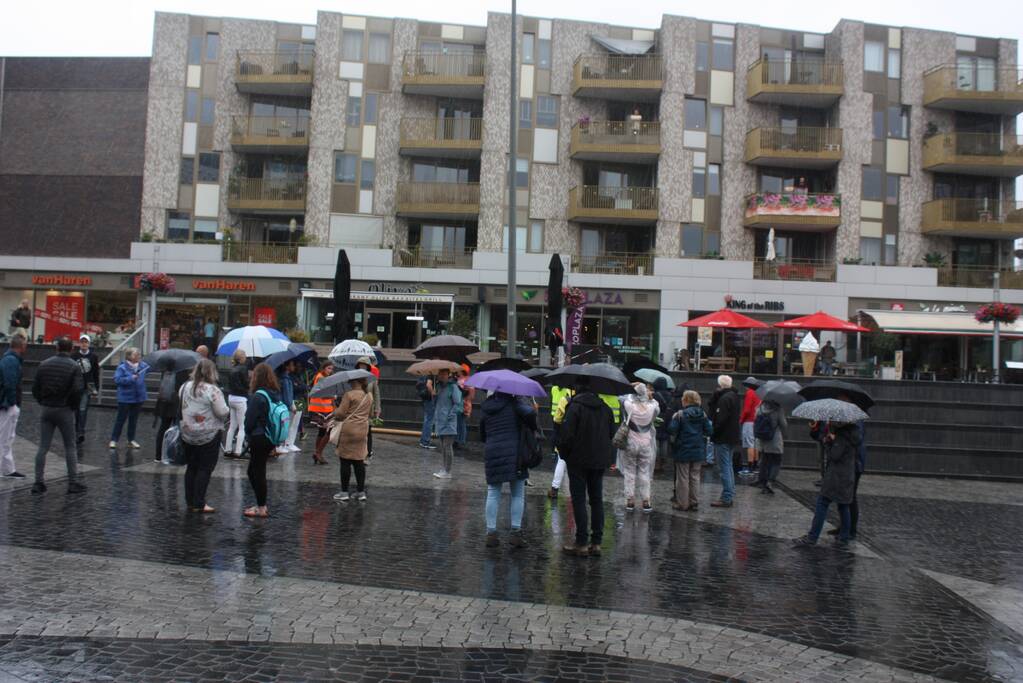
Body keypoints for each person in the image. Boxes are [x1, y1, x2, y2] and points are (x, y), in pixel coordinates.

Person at [559, 376, 615, 557]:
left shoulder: (574, 407)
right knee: (596, 499)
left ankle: (581, 542)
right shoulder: (605, 408)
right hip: (599, 460)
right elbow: (611, 434)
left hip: (578, 460)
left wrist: (565, 454)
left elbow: (566, 436)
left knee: (579, 499)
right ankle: (596, 542)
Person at [479, 391, 536, 548]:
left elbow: (482, 434)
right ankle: (515, 533)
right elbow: (531, 415)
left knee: (493, 492)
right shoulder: (516, 405)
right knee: (518, 494)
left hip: (492, 451)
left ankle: (491, 533)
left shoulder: (486, 407)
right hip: (515, 454)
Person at [31, 337, 85, 494]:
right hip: (65, 409)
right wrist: (72, 406)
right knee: (70, 446)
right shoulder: (74, 366)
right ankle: (72, 483)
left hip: (47, 408)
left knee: (43, 446)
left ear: (57, 348)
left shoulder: (44, 364)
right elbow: (77, 390)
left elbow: (35, 388)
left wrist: (42, 400)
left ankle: (38, 482)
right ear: (71, 349)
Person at [794, 422, 860, 547]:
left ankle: (812, 537)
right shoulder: (854, 434)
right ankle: (844, 538)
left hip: (836, 477)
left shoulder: (842, 436)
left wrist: (829, 442)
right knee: (843, 505)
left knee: (822, 503)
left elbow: (834, 456)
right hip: (847, 476)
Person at [179, 359, 229, 513]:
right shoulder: (212, 390)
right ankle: (199, 502)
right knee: (204, 468)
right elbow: (222, 411)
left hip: (187, 433)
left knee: (191, 467)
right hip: (208, 434)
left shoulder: (184, 386)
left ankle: (190, 500)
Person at [243, 362, 279, 518]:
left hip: (258, 437)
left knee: (257, 472)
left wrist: (247, 432)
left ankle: (261, 507)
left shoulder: (258, 396)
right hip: (270, 436)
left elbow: (249, 421)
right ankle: (260, 504)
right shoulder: (274, 394)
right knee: (254, 471)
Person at [329, 377, 374, 501]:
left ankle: (344, 492)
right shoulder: (369, 396)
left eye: (350, 381)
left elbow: (341, 414)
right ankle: (361, 492)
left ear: (354, 382)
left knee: (345, 461)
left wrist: (335, 408)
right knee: (359, 461)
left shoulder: (349, 395)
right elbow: (370, 414)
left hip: (349, 430)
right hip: (362, 430)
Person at [668, 390, 712, 511]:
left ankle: (682, 503)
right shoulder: (703, 414)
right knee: (695, 476)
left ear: (686, 400)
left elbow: (672, 430)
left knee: (682, 477)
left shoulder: (680, 414)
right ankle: (694, 502)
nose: (681, 399)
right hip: (698, 450)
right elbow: (709, 431)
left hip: (683, 449)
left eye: (683, 398)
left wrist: (673, 420)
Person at [620, 383, 659, 513]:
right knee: (644, 472)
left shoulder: (629, 405)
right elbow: (657, 406)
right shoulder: (652, 407)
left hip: (630, 442)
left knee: (629, 471)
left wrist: (631, 387)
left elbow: (622, 397)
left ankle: (630, 500)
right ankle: (646, 501)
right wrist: (650, 397)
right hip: (646, 443)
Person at [708, 375, 740, 508]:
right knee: (729, 466)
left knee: (724, 467)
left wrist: (712, 432)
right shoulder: (734, 396)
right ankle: (729, 493)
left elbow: (720, 420)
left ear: (720, 385)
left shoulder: (724, 399)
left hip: (723, 437)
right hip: (732, 436)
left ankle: (727, 496)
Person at [109, 348, 150, 449]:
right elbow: (117, 380)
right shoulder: (122, 367)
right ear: (129, 356)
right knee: (120, 419)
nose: (138, 356)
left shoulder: (143, 366)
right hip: (125, 398)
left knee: (133, 420)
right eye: (135, 355)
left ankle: (131, 440)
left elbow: (150, 369)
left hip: (138, 397)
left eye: (139, 354)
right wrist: (131, 378)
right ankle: (114, 440)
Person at [0, 334, 27, 478]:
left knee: (7, 437)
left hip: (7, 403)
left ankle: (8, 469)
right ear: (21, 346)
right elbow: (10, 383)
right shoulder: (11, 361)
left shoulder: (9, 359)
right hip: (7, 404)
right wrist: (12, 403)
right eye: (25, 345)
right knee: (4, 437)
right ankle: (6, 469)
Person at [431, 367, 462, 479]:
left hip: (449, 422)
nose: (442, 376)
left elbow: (457, 404)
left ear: (448, 375)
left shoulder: (453, 387)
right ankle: (444, 469)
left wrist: (450, 416)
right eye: (440, 374)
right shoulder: (438, 387)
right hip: (440, 421)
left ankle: (447, 471)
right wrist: (433, 395)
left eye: (444, 374)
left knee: (447, 446)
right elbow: (436, 404)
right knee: (443, 447)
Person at [70, 334, 100, 444]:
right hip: (75, 387)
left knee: (82, 410)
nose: (84, 344)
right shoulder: (73, 356)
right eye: (82, 342)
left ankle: (80, 432)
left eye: (86, 342)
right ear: (79, 343)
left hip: (87, 387)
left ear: (89, 344)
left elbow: (95, 372)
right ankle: (77, 430)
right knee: (76, 410)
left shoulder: (93, 357)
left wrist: (96, 387)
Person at [153, 368, 188, 463]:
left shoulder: (165, 372)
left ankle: (158, 456)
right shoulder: (182, 372)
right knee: (177, 430)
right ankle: (173, 455)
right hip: (176, 405)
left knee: (162, 429)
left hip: (165, 404)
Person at [754, 399, 787, 494]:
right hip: (774, 439)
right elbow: (784, 424)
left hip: (762, 439)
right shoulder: (778, 409)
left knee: (764, 460)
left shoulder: (760, 406)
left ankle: (762, 481)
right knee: (776, 461)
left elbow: (755, 418)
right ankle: (770, 482)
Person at [547, 384, 573, 499]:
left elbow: (557, 419)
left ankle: (554, 489)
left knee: (561, 461)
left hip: (565, 436)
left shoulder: (565, 400)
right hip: (581, 439)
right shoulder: (588, 399)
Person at [307, 360, 335, 465]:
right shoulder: (320, 378)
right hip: (319, 410)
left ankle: (317, 453)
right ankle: (318, 453)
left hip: (325, 410)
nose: (330, 371)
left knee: (323, 432)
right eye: (328, 368)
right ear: (323, 368)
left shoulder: (325, 378)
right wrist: (333, 395)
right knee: (328, 430)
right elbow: (322, 395)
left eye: (331, 369)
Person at [225, 349, 250, 459]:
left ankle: (228, 449)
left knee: (232, 426)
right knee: (242, 426)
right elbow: (246, 384)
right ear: (241, 358)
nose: (246, 357)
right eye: (245, 355)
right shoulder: (243, 369)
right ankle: (238, 451)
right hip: (240, 399)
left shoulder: (232, 369)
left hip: (231, 398)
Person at [355, 356, 381, 458]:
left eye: (364, 365)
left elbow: (376, 394)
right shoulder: (354, 378)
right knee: (357, 431)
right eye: (360, 365)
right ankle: (357, 451)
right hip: (356, 408)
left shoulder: (372, 379)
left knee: (368, 431)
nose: (362, 367)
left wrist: (377, 408)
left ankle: (368, 452)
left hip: (368, 409)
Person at [739, 377, 762, 475]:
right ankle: (756, 466)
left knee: (750, 444)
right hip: (757, 421)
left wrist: (741, 420)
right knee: (756, 444)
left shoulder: (750, 393)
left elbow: (747, 409)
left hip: (749, 421)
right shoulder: (759, 393)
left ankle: (749, 467)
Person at [281, 360, 305, 453]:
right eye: (295, 366)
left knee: (296, 423)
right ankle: (287, 443)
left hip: (300, 400)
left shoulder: (298, 376)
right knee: (290, 423)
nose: (297, 368)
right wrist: (301, 386)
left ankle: (291, 442)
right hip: (295, 399)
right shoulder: (289, 377)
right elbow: (299, 387)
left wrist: (302, 386)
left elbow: (303, 386)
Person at [276, 361, 297, 455]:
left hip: (285, 404)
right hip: (285, 405)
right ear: (287, 366)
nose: (294, 366)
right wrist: (290, 405)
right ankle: (280, 445)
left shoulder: (287, 378)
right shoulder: (285, 378)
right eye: (292, 365)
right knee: (284, 425)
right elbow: (287, 393)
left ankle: (284, 444)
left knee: (286, 425)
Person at [651, 377, 672, 463]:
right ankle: (663, 459)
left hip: (657, 417)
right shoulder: (670, 395)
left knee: (656, 439)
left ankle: (656, 460)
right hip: (667, 418)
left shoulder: (655, 395)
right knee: (665, 439)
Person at [455, 365, 475, 450]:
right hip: (461, 403)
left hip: (463, 404)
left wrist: (465, 401)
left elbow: (471, 394)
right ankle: (459, 440)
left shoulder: (466, 380)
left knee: (461, 423)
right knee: (459, 422)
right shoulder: (464, 379)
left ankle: (460, 441)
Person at [417, 373, 436, 450]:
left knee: (427, 419)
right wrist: (433, 393)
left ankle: (423, 441)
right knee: (429, 420)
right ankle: (426, 441)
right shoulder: (431, 375)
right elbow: (428, 385)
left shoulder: (426, 374)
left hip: (425, 399)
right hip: (429, 399)